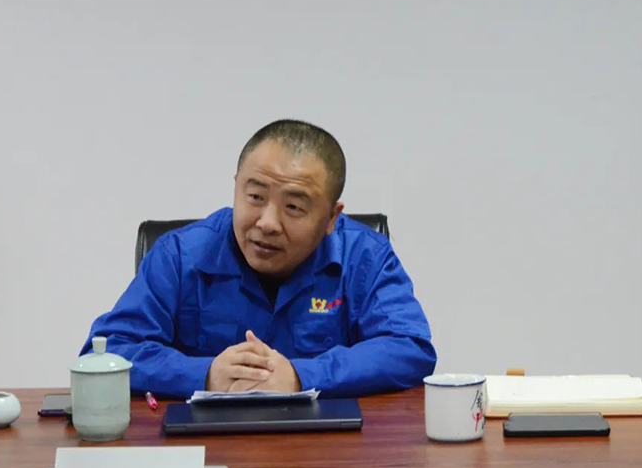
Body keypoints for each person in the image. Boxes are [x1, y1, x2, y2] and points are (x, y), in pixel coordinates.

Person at [80, 119, 436, 398]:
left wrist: (300, 376)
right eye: (254, 196)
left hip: (327, 450)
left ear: (331, 218)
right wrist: (206, 374)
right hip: (205, 447)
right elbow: (107, 353)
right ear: (236, 186)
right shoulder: (179, 256)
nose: (267, 223)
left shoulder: (364, 256)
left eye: (293, 207)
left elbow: (410, 348)